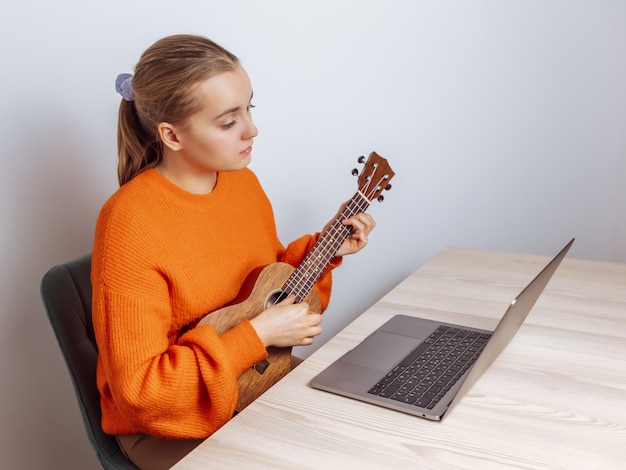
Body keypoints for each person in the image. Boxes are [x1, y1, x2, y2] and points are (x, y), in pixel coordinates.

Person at [91, 34, 375, 470]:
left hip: (251, 382)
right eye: (228, 122)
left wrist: (329, 245)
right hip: (171, 422)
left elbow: (268, 291)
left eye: (249, 109)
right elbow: (141, 391)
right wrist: (257, 336)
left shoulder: (242, 182)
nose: (252, 129)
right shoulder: (128, 224)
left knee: (371, 428)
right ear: (172, 135)